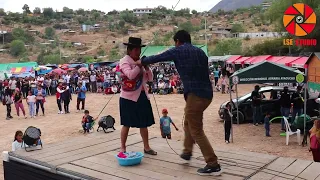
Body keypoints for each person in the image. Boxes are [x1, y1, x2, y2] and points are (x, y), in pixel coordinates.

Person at [138, 30, 221, 176]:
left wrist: (143, 61)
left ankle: (212, 163)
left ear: (177, 41)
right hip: (207, 94)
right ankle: (187, 151)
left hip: (195, 95)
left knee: (196, 130)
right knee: (188, 123)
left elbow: (158, 57)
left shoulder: (178, 51)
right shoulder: (201, 53)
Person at [119, 37, 157, 156]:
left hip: (141, 96)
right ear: (129, 50)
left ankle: (146, 147)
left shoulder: (140, 61)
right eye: (136, 50)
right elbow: (130, 75)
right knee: (126, 123)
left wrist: (146, 66)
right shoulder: (124, 61)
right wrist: (139, 65)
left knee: (143, 124)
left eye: (139, 50)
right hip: (127, 97)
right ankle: (123, 148)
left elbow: (150, 78)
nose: (138, 52)